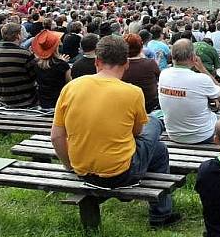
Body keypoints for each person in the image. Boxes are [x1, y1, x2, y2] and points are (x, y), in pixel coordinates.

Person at [51, 36, 180, 227]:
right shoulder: (132, 92)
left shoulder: (71, 87)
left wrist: (70, 166)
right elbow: (137, 133)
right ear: (126, 63)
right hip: (121, 173)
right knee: (153, 123)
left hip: (82, 170)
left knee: (159, 150)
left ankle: (161, 210)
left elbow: (56, 136)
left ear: (97, 61)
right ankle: (160, 215)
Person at [158, 39, 220, 145]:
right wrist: (203, 69)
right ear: (193, 57)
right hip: (203, 135)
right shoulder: (201, 79)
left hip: (174, 134)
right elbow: (219, 92)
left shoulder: (163, 74)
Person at [0, 22, 38, 108]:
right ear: (18, 36)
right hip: (25, 100)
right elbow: (35, 76)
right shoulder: (24, 54)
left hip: (3, 99)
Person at [32, 28, 71, 110]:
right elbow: (69, 84)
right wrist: (63, 62)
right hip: (59, 102)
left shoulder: (35, 64)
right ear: (56, 47)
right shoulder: (62, 65)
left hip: (42, 102)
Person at [122, 33, 160, 113]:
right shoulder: (150, 63)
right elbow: (159, 76)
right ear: (141, 47)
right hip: (149, 105)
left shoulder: (119, 65)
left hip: (128, 104)